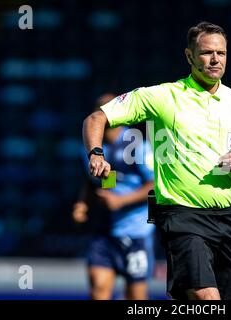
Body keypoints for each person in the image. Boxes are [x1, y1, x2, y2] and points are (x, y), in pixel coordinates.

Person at [82, 22, 231, 300]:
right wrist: (95, 154)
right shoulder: (162, 96)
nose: (215, 59)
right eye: (207, 52)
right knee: (208, 299)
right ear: (189, 56)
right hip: (180, 215)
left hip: (227, 218)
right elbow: (96, 118)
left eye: (222, 53)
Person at [73, 93, 155, 300]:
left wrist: (120, 201)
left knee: (136, 297)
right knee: (98, 289)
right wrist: (82, 204)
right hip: (104, 232)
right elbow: (92, 182)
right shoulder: (91, 148)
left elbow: (155, 185)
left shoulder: (136, 146)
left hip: (136, 232)